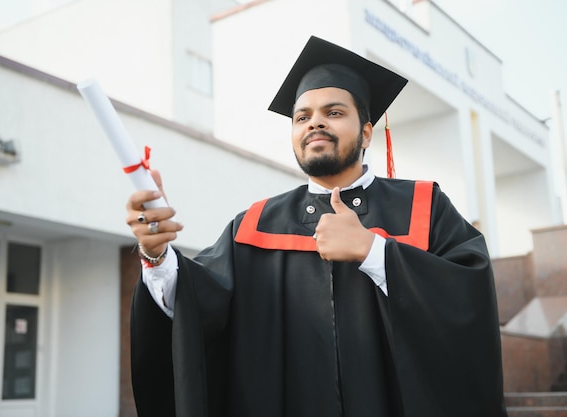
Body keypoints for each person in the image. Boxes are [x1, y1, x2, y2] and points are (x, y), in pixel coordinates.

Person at [125, 36, 507, 417]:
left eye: (334, 112)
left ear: (368, 132)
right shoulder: (255, 224)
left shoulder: (424, 206)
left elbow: (468, 298)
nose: (315, 123)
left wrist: (376, 252)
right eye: (302, 117)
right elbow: (198, 303)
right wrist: (155, 254)